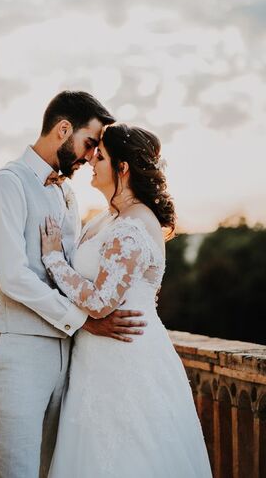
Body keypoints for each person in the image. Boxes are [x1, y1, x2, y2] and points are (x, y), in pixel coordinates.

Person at [0, 91, 147, 478]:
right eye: (89, 143)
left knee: (53, 469)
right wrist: (83, 320)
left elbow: (68, 270)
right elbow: (14, 276)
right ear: (63, 129)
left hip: (69, 352)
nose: (90, 156)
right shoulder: (8, 183)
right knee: (18, 470)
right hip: (20, 349)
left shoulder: (65, 193)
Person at [38, 123, 213, 477]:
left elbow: (102, 301)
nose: (91, 162)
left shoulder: (134, 225)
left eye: (99, 157)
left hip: (126, 356)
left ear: (123, 168)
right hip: (95, 358)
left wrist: (54, 259)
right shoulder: (107, 219)